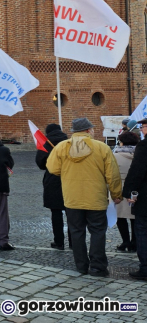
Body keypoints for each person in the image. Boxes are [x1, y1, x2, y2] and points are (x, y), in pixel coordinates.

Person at [47, 117, 122, 277]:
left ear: (74, 132)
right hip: (96, 198)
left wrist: (68, 172)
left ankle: (81, 266)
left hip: (72, 198)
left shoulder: (61, 147)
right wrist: (116, 194)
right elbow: (113, 175)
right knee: (97, 231)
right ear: (88, 130)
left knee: (76, 231)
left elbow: (52, 168)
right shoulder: (101, 147)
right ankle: (97, 267)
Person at [34, 123, 70, 250]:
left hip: (53, 179)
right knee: (71, 212)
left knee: (56, 212)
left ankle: (59, 241)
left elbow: (40, 163)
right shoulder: (69, 142)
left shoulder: (46, 144)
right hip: (69, 178)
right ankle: (74, 241)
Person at [124, 119, 147, 279]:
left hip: (146, 198)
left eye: (143, 126)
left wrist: (129, 192)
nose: (141, 129)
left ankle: (145, 269)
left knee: (143, 231)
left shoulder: (144, 146)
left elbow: (137, 171)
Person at [113, 131, 139, 252]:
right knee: (135, 216)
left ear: (121, 142)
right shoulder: (139, 154)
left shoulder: (115, 155)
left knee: (120, 216)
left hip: (119, 187)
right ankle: (135, 242)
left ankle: (125, 241)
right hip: (136, 188)